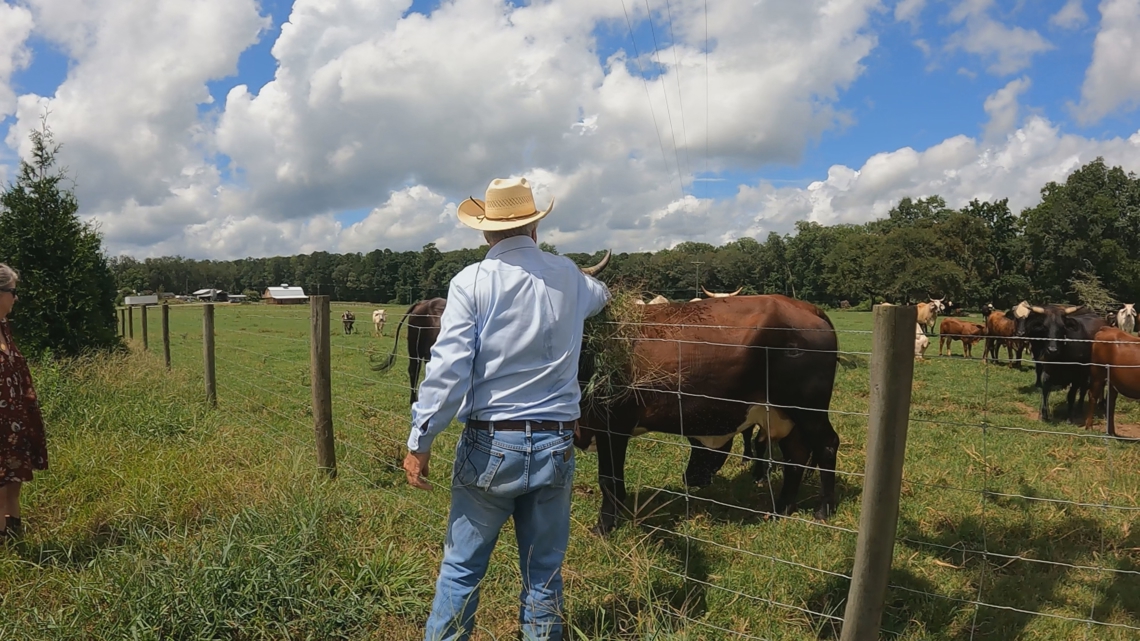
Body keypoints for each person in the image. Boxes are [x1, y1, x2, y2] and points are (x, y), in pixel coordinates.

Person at [403, 177, 610, 641]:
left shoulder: (471, 281)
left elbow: (448, 370)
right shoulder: (569, 275)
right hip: (556, 442)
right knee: (543, 577)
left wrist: (421, 441)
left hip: (490, 443)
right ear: (534, 226)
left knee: (461, 570)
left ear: (485, 232)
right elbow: (602, 298)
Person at [0, 264, 47, 540]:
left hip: (13, 424)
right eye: (12, 292)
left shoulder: (5, 329)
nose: (16, 298)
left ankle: (14, 527)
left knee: (12, 479)